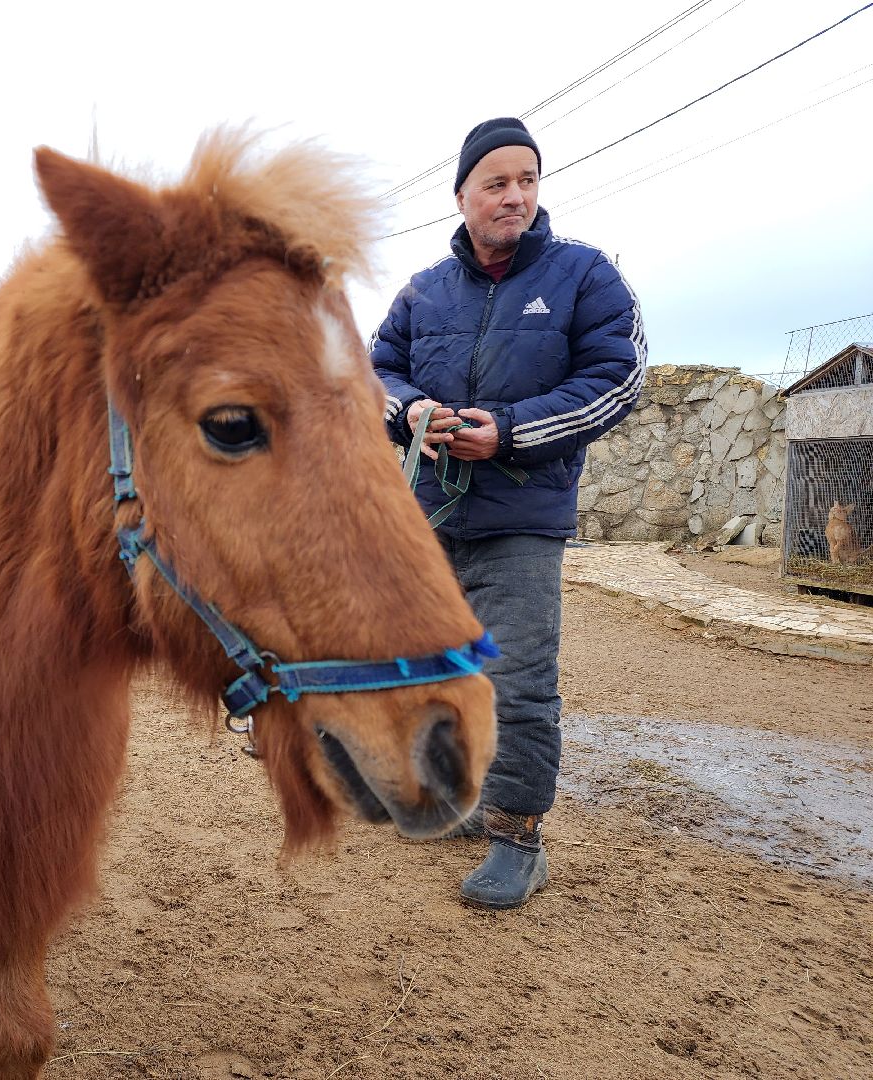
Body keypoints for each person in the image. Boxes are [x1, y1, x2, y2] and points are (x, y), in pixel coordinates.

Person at [369, 117, 646, 910]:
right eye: (496, 183)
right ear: (462, 196)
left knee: (517, 683)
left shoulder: (585, 276)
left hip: (521, 520)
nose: (515, 197)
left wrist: (511, 432)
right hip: (431, 516)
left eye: (527, 180)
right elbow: (373, 369)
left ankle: (517, 838)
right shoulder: (423, 289)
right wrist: (411, 411)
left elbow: (618, 378)